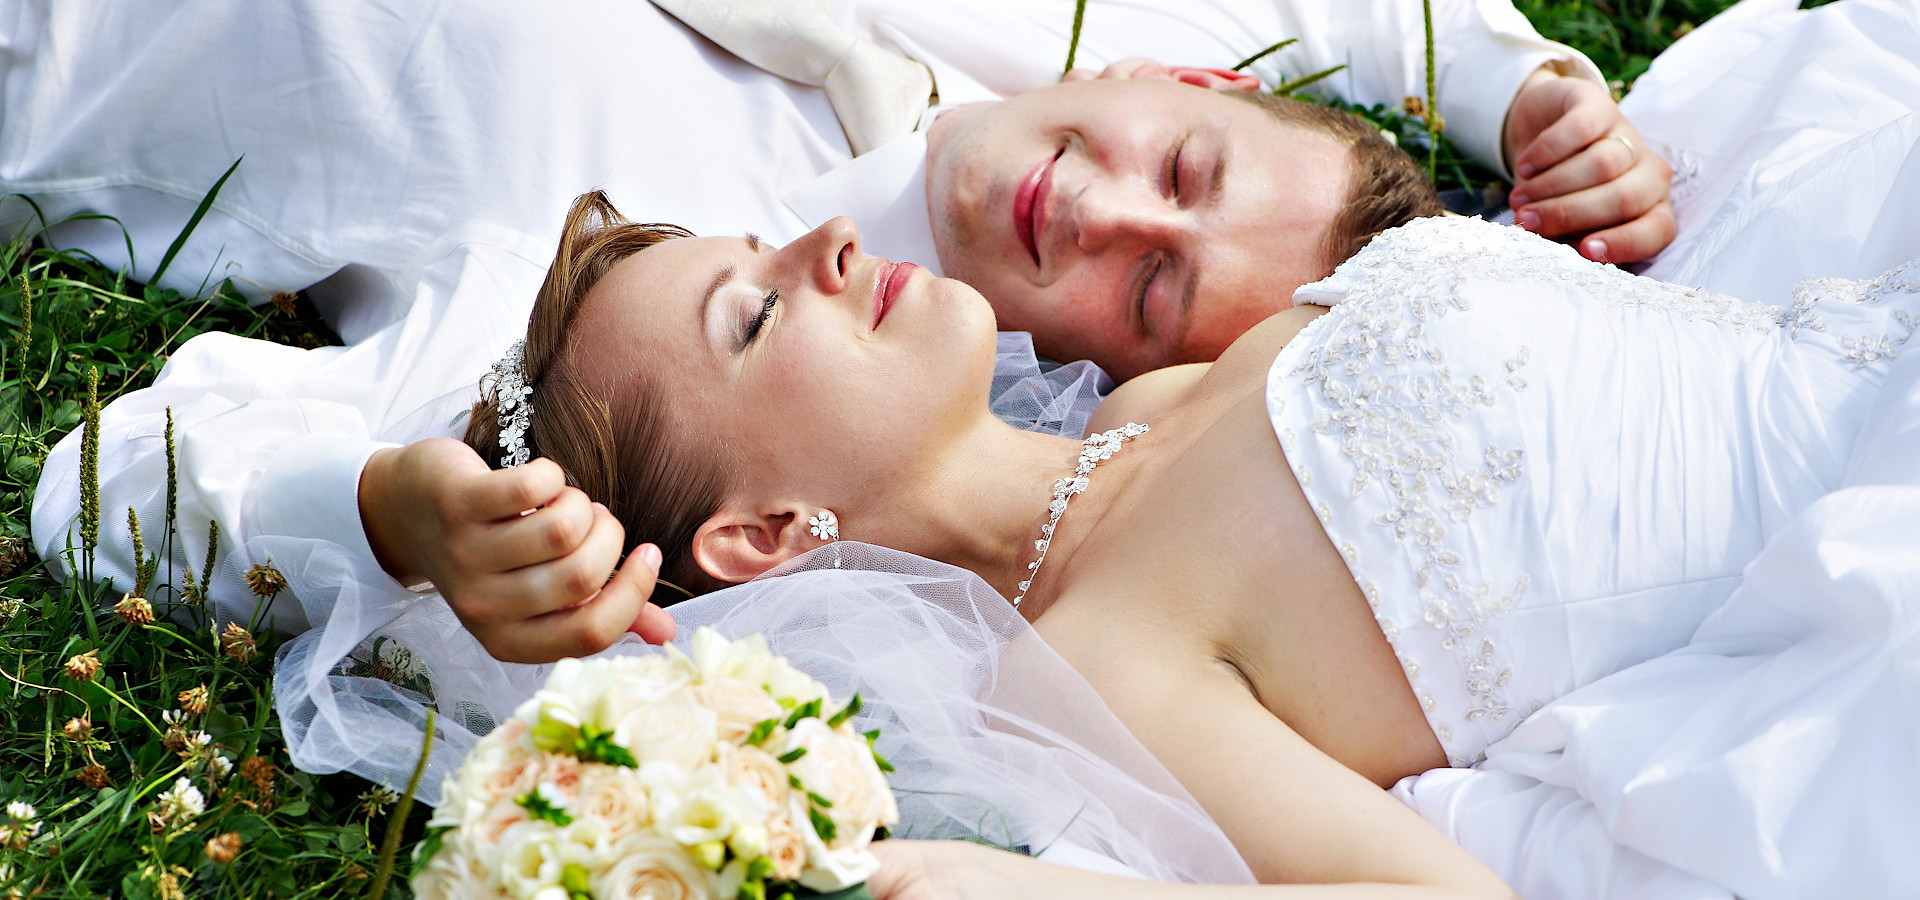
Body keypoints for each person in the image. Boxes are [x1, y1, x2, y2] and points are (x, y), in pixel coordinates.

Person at [395, 182, 1920, 897]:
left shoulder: (1166, 376)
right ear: (770, 537)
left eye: (763, 241)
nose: (833, 242)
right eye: (759, 308)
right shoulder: (1101, 666)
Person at [22, 0, 1660, 648]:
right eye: (1183, 159)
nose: (1106, 208)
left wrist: (387, 510)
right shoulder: (1098, 39)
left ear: (1101, 379)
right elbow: (1359, 18)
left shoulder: (659, 314)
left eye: (1147, 286)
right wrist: (1533, 92)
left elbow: (124, 470)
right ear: (1193, 81)